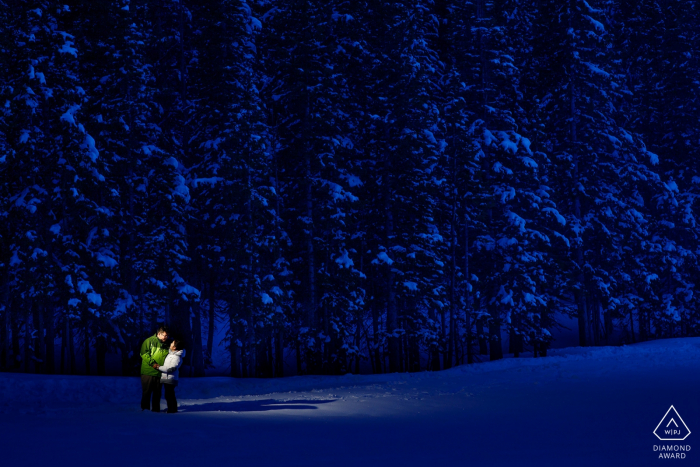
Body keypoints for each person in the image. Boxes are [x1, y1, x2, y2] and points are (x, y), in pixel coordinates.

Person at [140, 325, 170, 412]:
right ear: (158, 334)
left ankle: (156, 410)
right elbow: (144, 353)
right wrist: (153, 364)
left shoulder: (167, 344)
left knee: (157, 393)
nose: (165, 337)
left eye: (167, 335)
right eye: (164, 335)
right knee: (147, 392)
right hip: (148, 372)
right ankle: (145, 410)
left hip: (160, 372)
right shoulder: (149, 341)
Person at [157, 338, 186, 413]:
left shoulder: (176, 357)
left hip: (171, 378)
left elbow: (171, 369)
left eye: (172, 343)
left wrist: (159, 367)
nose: (170, 344)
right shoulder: (171, 355)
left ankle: (172, 410)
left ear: (175, 347)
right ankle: (172, 408)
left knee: (169, 394)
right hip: (167, 377)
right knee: (169, 394)